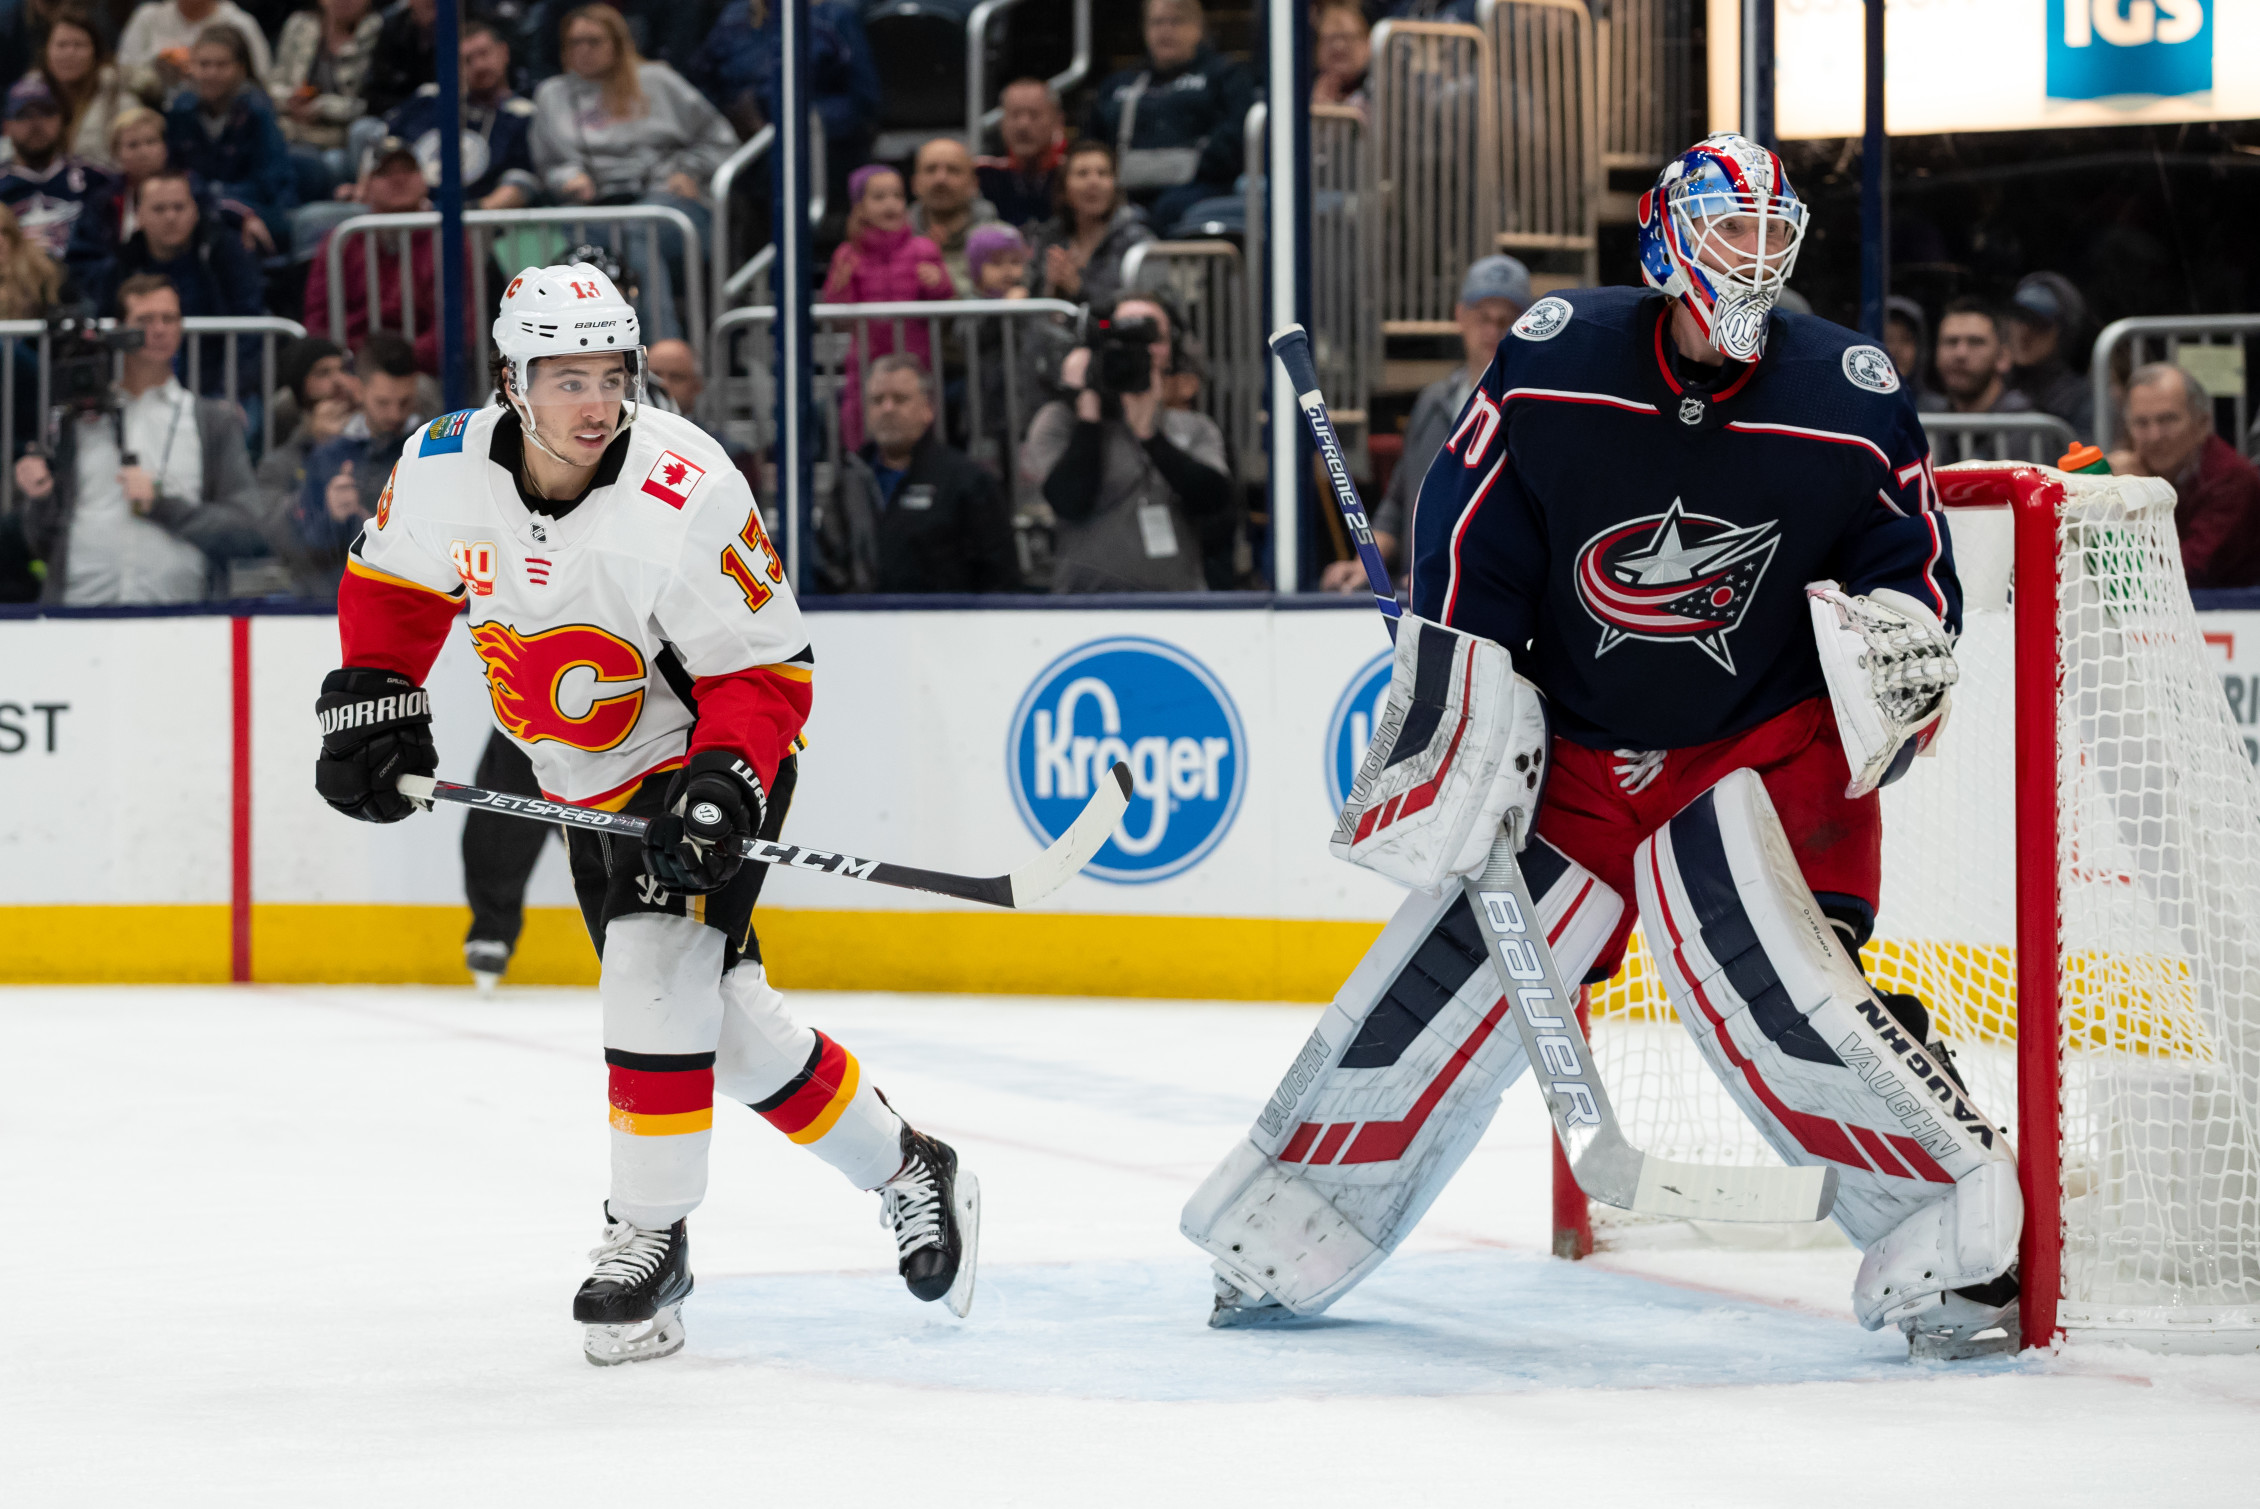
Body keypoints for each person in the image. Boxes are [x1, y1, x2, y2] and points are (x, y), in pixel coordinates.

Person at [1190, 135, 2019, 1364]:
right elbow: (1468, 530)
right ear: (1664, 240)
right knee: (1458, 979)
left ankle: (1951, 1243)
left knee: (1794, 993)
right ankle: (1289, 1221)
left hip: (1763, 755)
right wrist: (1464, 693)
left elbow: (1912, 571)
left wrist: (1903, 645)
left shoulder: (1848, 392)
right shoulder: (1557, 357)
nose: (1752, 260)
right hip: (1579, 753)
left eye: (1768, 236)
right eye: (1728, 234)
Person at [310, 258, 979, 1364]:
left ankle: (649, 1233)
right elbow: (393, 586)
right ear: (512, 382)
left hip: (706, 755)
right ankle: (909, 1166)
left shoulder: (689, 487)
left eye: (609, 373)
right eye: (564, 377)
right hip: (578, 775)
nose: (594, 401)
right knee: (713, 1024)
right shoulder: (438, 466)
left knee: (656, 968)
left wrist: (721, 786)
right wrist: (376, 695)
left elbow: (765, 675)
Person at [13, 272, 262, 604]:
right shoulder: (77, 419)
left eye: (169, 318)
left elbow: (247, 531)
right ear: (119, 329)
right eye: (144, 319)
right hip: (76, 614)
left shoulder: (212, 421)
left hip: (181, 618)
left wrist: (161, 504)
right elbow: (41, 541)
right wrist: (39, 497)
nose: (158, 329)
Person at [530, 3, 738, 342]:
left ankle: (660, 354)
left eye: (593, 41)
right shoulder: (552, 95)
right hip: (596, 209)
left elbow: (721, 140)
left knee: (641, 231)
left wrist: (689, 171)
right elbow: (548, 164)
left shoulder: (657, 80)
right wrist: (567, 177)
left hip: (668, 206)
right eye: (573, 43)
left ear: (617, 42)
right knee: (554, 243)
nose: (582, 51)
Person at [1327, 253, 1528, 593]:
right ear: (1460, 316)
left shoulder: (1532, 408)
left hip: (1493, 596)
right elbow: (1399, 500)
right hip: (1419, 598)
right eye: (1483, 317)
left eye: (1505, 319)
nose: (1493, 330)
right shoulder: (1432, 402)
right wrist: (1366, 563)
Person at [1019, 290, 1234, 593]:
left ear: (1171, 350)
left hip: (1179, 607)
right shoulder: (1059, 421)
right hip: (1084, 607)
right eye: (1123, 338)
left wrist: (1150, 436)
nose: (1140, 351)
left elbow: (1214, 505)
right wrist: (1087, 411)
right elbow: (1069, 501)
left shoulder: (1195, 427)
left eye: (1152, 339)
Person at [817, 355, 1019, 594]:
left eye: (900, 399)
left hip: (946, 627)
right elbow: (827, 565)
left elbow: (1000, 576)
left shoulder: (967, 481)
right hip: (862, 626)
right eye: (877, 400)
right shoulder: (849, 481)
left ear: (928, 408)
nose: (887, 409)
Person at [302, 137, 478, 375]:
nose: (399, 179)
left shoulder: (449, 239)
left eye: (409, 169)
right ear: (364, 187)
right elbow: (318, 320)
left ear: (424, 181)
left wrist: (397, 362)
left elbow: (457, 325)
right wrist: (349, 363)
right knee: (287, 405)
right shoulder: (342, 241)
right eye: (385, 173)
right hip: (350, 369)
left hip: (421, 372)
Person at [682, 0, 878, 210]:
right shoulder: (734, 17)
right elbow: (701, 84)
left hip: (818, 144)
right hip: (743, 142)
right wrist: (730, 116)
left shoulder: (835, 17)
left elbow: (864, 101)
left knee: (780, 164)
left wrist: (801, 121)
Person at [1081, 0, 1254, 234]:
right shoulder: (1120, 84)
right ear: (1144, 29)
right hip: (1126, 187)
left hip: (1200, 186)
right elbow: (1091, 141)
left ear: (1198, 28)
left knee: (1167, 209)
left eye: (1176, 21)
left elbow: (1236, 136)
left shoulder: (1225, 76)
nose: (1165, 30)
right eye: (1157, 22)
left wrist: (1188, 164)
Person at [822, 162, 952, 455]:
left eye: (897, 195)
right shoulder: (848, 254)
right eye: (879, 197)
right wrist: (840, 288)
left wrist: (938, 283)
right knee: (861, 419)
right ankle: (863, 467)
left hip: (916, 358)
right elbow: (838, 315)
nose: (891, 204)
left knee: (918, 415)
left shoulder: (923, 248)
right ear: (860, 207)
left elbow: (944, 302)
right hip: (867, 362)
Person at [290, 330, 423, 595]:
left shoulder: (431, 448)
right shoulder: (326, 455)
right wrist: (333, 518)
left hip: (419, 596)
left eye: (404, 402)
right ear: (359, 390)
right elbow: (300, 554)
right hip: (341, 604)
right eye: (383, 402)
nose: (395, 414)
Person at [2120, 361, 2260, 590]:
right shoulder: (2129, 473)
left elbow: (2185, 573)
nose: (2154, 436)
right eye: (2141, 423)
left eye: (2167, 420)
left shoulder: (2233, 479)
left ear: (2202, 423)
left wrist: (2139, 507)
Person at [383, 19, 541, 211]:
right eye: (467, 60)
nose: (479, 65)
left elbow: (520, 183)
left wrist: (467, 215)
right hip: (410, 217)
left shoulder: (521, 114)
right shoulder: (429, 99)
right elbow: (386, 150)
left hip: (484, 225)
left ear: (504, 52)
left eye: (484, 53)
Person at [164, 23, 294, 254]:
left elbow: (270, 183)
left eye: (221, 65)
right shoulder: (179, 111)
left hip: (257, 207)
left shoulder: (258, 112)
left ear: (241, 69)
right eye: (204, 64)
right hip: (197, 207)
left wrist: (218, 198)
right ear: (191, 67)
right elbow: (174, 172)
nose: (211, 73)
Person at [254, 333, 358, 593]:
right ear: (302, 386)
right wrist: (324, 450)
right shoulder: (280, 464)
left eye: (343, 370)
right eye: (323, 373)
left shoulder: (383, 439)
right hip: (316, 594)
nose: (338, 381)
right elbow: (276, 536)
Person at [268, 0, 384, 200]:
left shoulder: (378, 31)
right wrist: (290, 99)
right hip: (293, 126)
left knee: (332, 162)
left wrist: (321, 107)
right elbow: (273, 83)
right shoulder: (299, 25)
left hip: (343, 137)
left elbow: (370, 103)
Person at [1024, 139, 1152, 313]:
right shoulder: (1048, 238)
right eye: (1082, 173)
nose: (1093, 182)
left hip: (1114, 335)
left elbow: (1147, 306)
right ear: (1064, 188)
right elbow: (1031, 309)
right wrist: (1050, 288)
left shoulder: (1136, 240)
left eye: (1103, 173)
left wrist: (1078, 289)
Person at [0, 72, 112, 262]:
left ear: (61, 120)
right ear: (7, 126)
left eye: (45, 113)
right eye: (23, 115)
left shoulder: (93, 180)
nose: (36, 124)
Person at [1917, 297, 2035, 460]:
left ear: (2003, 357)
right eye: (1951, 342)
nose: (1960, 353)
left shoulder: (2029, 427)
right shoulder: (1923, 425)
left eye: (1975, 342)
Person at [117, 0, 272, 101]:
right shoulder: (148, 16)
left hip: (226, 113)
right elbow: (122, 72)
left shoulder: (240, 23)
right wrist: (159, 60)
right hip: (153, 111)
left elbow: (260, 79)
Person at [2004, 270, 2095, 442]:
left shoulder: (2084, 399)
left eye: (2039, 324)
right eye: (2019, 318)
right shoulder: (1996, 385)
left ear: (2064, 332)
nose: (2024, 332)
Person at [907, 136, 998, 299]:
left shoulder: (1002, 242)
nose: (940, 179)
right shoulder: (893, 243)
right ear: (914, 183)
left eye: (953, 170)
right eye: (930, 169)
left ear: (974, 184)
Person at [38, 7, 127, 168]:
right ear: (46, 51)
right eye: (61, 45)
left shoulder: (118, 99)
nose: (70, 53)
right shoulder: (28, 99)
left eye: (79, 45)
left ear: (95, 52)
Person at [974, 77, 1065, 230]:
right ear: (1001, 122)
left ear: (1058, 121)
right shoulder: (978, 175)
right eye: (1014, 115)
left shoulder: (1073, 177)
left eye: (1034, 115)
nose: (1023, 125)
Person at [359, 0, 433, 120]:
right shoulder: (393, 27)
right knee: (362, 129)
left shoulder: (464, 28)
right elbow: (375, 93)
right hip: (397, 113)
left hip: (440, 117)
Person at [1310, 0, 1370, 117]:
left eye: (1347, 37)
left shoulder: (1379, 91)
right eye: (1330, 39)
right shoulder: (1305, 95)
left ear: (1367, 44)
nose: (1339, 46)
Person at [1882, 294, 1927, 405]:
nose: (1896, 350)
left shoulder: (1941, 412)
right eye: (1888, 340)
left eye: (1906, 339)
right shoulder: (1856, 408)